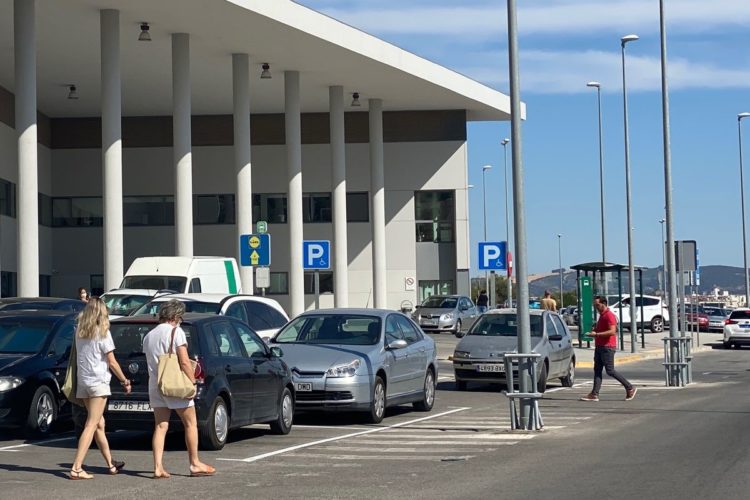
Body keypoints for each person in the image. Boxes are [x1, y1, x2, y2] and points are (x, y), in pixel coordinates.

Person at [142, 300, 215, 479]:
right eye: (180, 317)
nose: (181, 320)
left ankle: (158, 467)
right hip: (174, 384)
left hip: (156, 384)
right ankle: (194, 462)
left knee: (160, 426)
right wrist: (193, 381)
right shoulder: (177, 332)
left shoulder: (149, 335)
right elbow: (183, 361)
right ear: (175, 316)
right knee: (190, 423)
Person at [69, 297, 131, 480]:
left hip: (84, 382)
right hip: (98, 383)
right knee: (92, 424)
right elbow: (112, 361)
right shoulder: (103, 332)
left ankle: (111, 464)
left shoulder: (79, 332)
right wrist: (124, 380)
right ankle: (76, 467)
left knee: (99, 424)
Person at [580, 296, 637, 402]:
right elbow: (602, 329)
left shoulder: (609, 316)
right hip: (600, 346)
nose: (596, 307)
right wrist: (595, 330)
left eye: (597, 305)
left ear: (604, 303)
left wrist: (596, 334)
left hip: (607, 347)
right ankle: (594, 394)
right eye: (595, 305)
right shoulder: (602, 316)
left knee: (610, 370)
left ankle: (629, 387)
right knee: (597, 370)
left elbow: (612, 331)